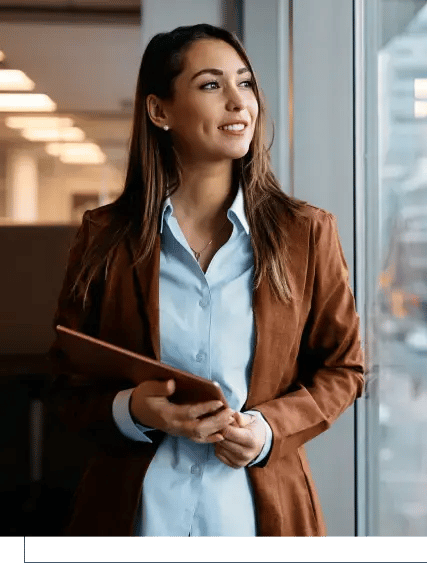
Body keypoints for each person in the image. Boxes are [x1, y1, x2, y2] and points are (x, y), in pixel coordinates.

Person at [49, 23, 364, 537]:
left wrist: (266, 430)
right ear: (160, 111)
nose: (239, 103)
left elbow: (343, 369)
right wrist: (132, 409)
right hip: (135, 516)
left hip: (259, 518)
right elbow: (66, 383)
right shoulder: (104, 237)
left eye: (245, 83)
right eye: (211, 85)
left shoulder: (306, 233)